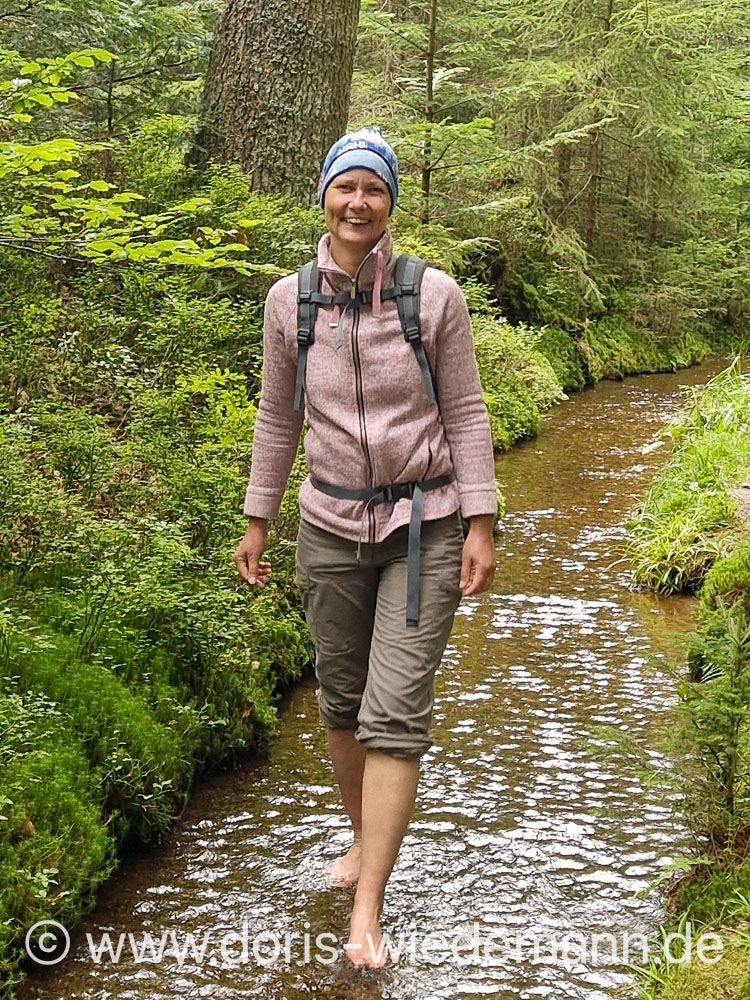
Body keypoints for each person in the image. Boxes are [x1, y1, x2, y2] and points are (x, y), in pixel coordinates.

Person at [234, 126, 497, 968]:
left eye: (373, 190)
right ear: (324, 195)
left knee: (393, 713)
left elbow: (467, 414)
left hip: (425, 526)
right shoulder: (290, 301)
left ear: (390, 203)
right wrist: (257, 516)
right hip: (328, 524)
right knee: (342, 704)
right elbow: (279, 417)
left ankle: (369, 905)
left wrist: (482, 521)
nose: (358, 203)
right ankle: (364, 840)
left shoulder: (433, 297)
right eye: (345, 187)